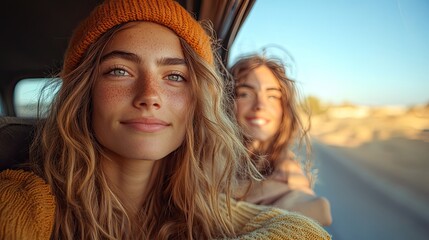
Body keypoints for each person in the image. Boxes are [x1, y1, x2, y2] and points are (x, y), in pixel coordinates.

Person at [0, 0, 331, 239]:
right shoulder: (24, 199)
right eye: (119, 71)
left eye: (174, 76)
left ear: (196, 105)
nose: (150, 94)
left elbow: (304, 229)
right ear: (83, 94)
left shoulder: (197, 209)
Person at [230, 54, 333, 226]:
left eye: (272, 96)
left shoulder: (290, 179)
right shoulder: (200, 165)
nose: (260, 105)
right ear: (226, 100)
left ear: (284, 109)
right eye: (245, 93)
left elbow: (319, 210)